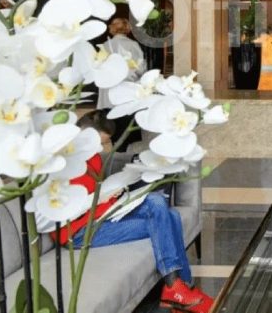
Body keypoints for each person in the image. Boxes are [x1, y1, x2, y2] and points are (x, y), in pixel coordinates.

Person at [61, 112, 213, 313]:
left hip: (103, 216)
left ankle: (181, 289)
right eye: (98, 142)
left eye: (103, 144)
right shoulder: (64, 162)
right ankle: (178, 291)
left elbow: (96, 193)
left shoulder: (94, 158)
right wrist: (103, 199)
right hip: (79, 232)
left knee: (162, 207)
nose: (100, 148)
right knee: (166, 215)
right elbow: (68, 210)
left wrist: (114, 193)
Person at [98, 17, 146, 151]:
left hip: (108, 92)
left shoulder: (105, 46)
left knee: (112, 126)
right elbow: (140, 68)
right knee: (126, 127)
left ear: (112, 28)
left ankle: (116, 151)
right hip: (127, 92)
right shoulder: (133, 45)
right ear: (127, 28)